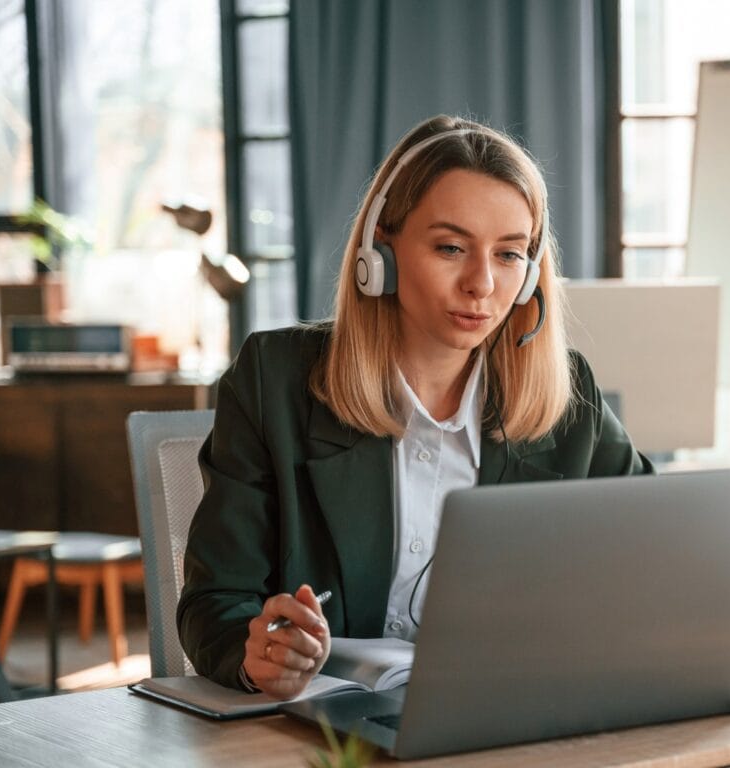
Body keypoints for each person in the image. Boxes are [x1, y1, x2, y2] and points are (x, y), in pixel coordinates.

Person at [177, 115, 653, 698]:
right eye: (451, 247)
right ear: (381, 254)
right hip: (321, 731)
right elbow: (213, 603)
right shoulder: (274, 379)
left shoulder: (567, 395)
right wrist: (258, 656)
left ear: (531, 276)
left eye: (509, 255)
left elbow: (653, 558)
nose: (482, 284)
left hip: (500, 715)